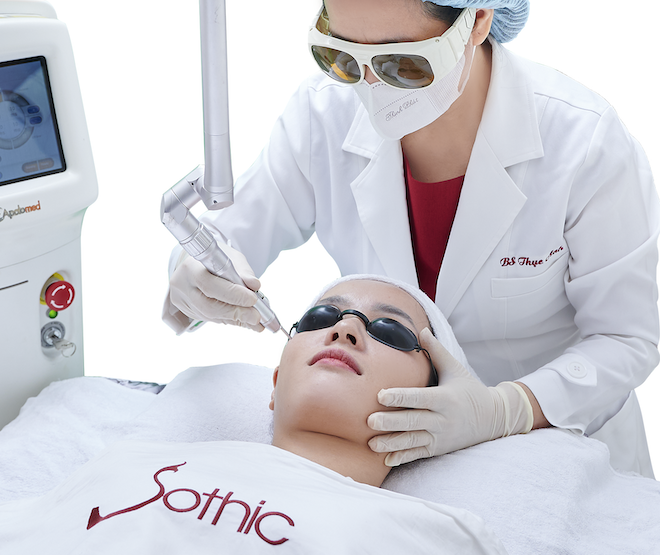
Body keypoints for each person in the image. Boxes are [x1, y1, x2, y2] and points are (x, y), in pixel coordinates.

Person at [164, 0, 660, 477]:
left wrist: (507, 409)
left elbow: (626, 337)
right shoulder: (323, 115)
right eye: (342, 58)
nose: (370, 86)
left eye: (402, 63)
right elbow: (222, 242)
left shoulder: (583, 142)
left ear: (477, 21)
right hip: (392, 459)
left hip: (556, 453)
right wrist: (197, 275)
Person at [0, 277, 508, 554]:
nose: (345, 329)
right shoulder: (127, 464)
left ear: (432, 400)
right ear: (275, 381)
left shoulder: (437, 536)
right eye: (321, 317)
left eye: (390, 331)